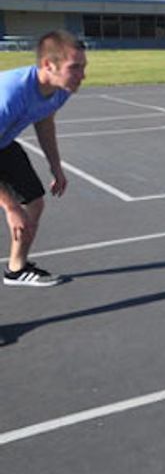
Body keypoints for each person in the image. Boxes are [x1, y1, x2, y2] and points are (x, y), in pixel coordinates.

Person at [0, 30, 87, 287]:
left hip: (3, 144)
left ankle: (16, 269)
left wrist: (56, 168)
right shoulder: (10, 94)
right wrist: (10, 206)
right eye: (75, 67)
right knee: (17, 207)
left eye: (84, 66)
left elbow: (44, 120)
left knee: (34, 203)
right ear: (49, 65)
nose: (83, 75)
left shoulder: (61, 89)